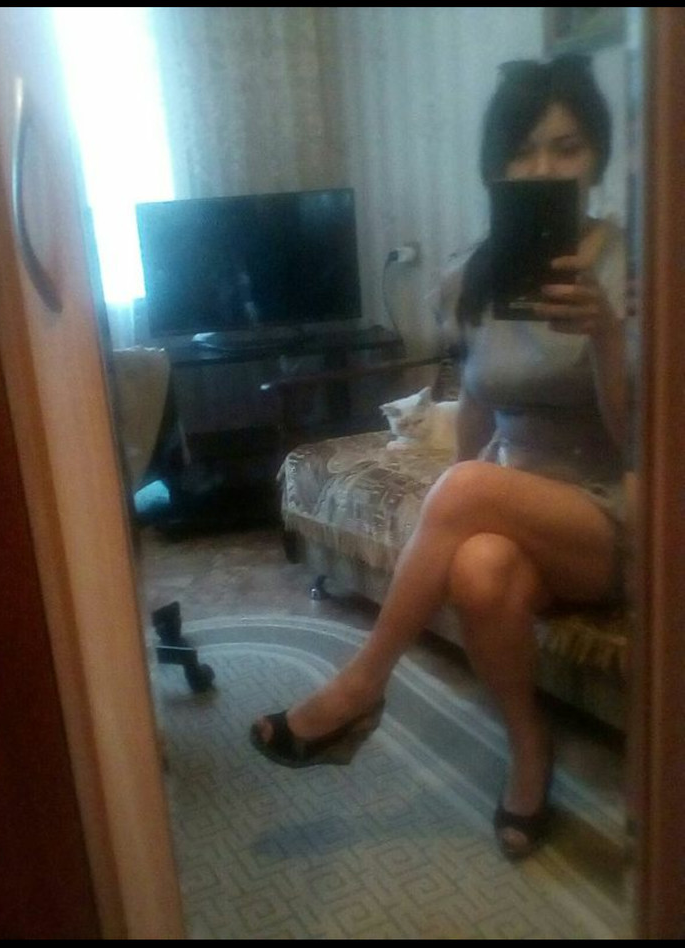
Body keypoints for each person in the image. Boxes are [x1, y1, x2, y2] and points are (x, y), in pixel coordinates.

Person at [249, 53, 630, 861]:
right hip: (513, 503)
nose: (544, 168)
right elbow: (480, 405)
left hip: (608, 515)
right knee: (478, 569)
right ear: (496, 169)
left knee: (465, 493)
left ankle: (360, 687)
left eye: (566, 147)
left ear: (597, 155)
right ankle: (530, 750)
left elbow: (643, 442)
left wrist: (606, 337)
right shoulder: (478, 275)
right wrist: (458, 501)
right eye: (522, 152)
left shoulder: (635, 268)